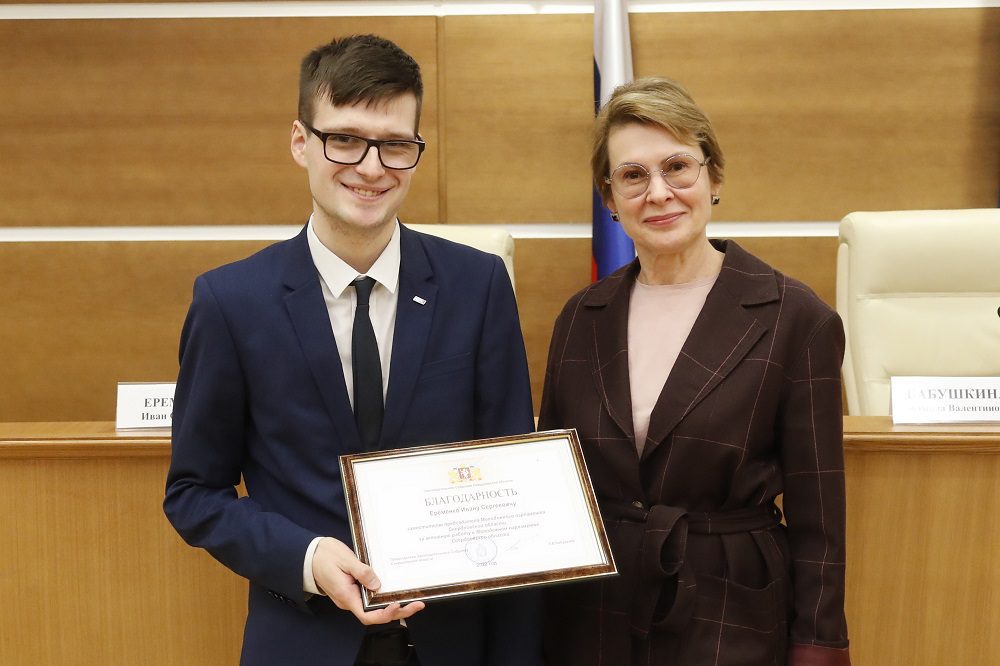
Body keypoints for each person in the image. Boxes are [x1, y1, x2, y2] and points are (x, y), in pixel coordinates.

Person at [164, 34, 539, 666]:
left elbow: (512, 477)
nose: (371, 167)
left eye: (395, 144)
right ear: (300, 141)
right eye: (344, 139)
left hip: (453, 643)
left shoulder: (478, 286)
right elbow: (194, 492)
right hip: (302, 641)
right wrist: (306, 558)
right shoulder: (232, 302)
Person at [538, 77, 851, 665]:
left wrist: (819, 643)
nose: (658, 193)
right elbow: (554, 485)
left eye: (677, 167)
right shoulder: (581, 317)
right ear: (610, 198)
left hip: (732, 609)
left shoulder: (794, 317)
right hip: (595, 615)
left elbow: (820, 519)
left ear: (714, 177)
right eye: (633, 175)